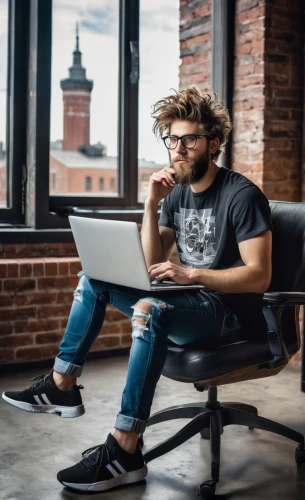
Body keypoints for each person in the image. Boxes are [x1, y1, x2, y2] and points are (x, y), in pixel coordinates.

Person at [2, 87, 273, 492]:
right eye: (172, 140)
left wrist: (192, 274)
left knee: (149, 308)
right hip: (190, 300)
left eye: (190, 140)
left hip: (228, 315)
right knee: (93, 280)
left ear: (213, 144)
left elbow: (259, 276)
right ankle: (62, 386)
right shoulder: (176, 192)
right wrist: (150, 204)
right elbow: (150, 264)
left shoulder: (241, 195)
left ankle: (125, 449)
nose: (178, 149)